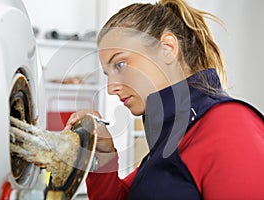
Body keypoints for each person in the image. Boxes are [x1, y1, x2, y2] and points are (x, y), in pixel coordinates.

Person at [66, 0, 264, 199]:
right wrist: (103, 154)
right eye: (107, 73)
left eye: (120, 64)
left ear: (168, 49)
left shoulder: (228, 124)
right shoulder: (172, 136)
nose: (111, 88)